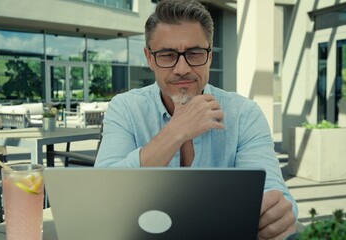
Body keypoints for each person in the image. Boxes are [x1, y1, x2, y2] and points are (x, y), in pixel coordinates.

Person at [94, 0, 298, 238]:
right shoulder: (126, 108)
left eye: (194, 53)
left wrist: (277, 214)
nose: (182, 68)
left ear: (210, 55)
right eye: (168, 55)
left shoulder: (244, 114)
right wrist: (176, 131)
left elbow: (273, 190)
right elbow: (103, 194)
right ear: (149, 58)